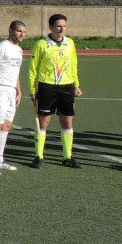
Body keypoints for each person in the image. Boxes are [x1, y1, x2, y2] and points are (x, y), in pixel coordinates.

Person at [28, 13, 82, 169]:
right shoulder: (41, 44)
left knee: (67, 122)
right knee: (43, 123)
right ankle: (39, 156)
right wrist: (32, 89)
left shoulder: (70, 43)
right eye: (58, 26)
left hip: (67, 87)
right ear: (50, 27)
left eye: (64, 26)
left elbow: (73, 65)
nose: (61, 29)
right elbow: (32, 69)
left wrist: (76, 85)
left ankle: (67, 157)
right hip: (47, 87)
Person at [0, 21, 25, 175]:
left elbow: (16, 73)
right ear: (10, 31)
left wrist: (19, 91)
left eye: (24, 32)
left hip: (11, 92)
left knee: (7, 126)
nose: (22, 34)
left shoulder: (19, 50)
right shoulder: (2, 46)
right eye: (19, 31)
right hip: (0, 89)